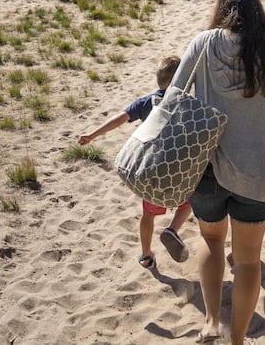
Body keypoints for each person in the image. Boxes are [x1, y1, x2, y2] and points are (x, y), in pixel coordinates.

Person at [173, 0, 265, 344]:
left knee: (210, 240)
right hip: (258, 176)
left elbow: (174, 98)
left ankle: (212, 321)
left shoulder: (203, 43)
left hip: (206, 168)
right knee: (247, 260)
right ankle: (238, 337)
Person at [78, 55, 192, 270]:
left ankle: (146, 256)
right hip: (180, 171)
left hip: (152, 172)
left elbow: (119, 119)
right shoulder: (187, 104)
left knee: (148, 214)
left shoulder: (146, 102)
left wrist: (92, 135)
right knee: (190, 203)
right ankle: (173, 229)